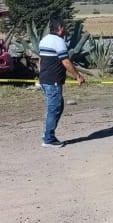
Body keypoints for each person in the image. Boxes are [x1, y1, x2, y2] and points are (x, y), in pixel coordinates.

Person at [38, 17, 84, 148]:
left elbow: (40, 60)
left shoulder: (44, 40)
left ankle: (48, 133)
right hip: (53, 82)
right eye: (64, 27)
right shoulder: (59, 42)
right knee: (55, 108)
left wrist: (40, 75)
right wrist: (77, 76)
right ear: (59, 28)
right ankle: (49, 139)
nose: (65, 30)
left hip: (45, 80)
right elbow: (66, 62)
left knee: (57, 107)